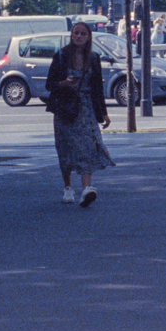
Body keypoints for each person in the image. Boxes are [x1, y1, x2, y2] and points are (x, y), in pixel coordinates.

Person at [45, 22, 115, 207]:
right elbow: (49, 84)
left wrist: (104, 113)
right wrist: (64, 83)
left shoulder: (93, 58)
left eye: (83, 33)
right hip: (65, 107)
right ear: (71, 35)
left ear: (88, 37)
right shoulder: (61, 56)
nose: (79, 36)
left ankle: (86, 189)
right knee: (65, 147)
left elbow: (97, 88)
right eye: (76, 33)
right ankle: (68, 187)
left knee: (88, 146)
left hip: (86, 107)